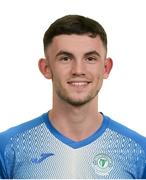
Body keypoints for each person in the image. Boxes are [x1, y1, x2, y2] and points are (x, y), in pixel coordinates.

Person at [0, 14, 146, 179]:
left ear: (106, 68)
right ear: (46, 68)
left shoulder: (138, 151)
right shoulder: (8, 148)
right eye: (65, 58)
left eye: (90, 58)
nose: (78, 70)